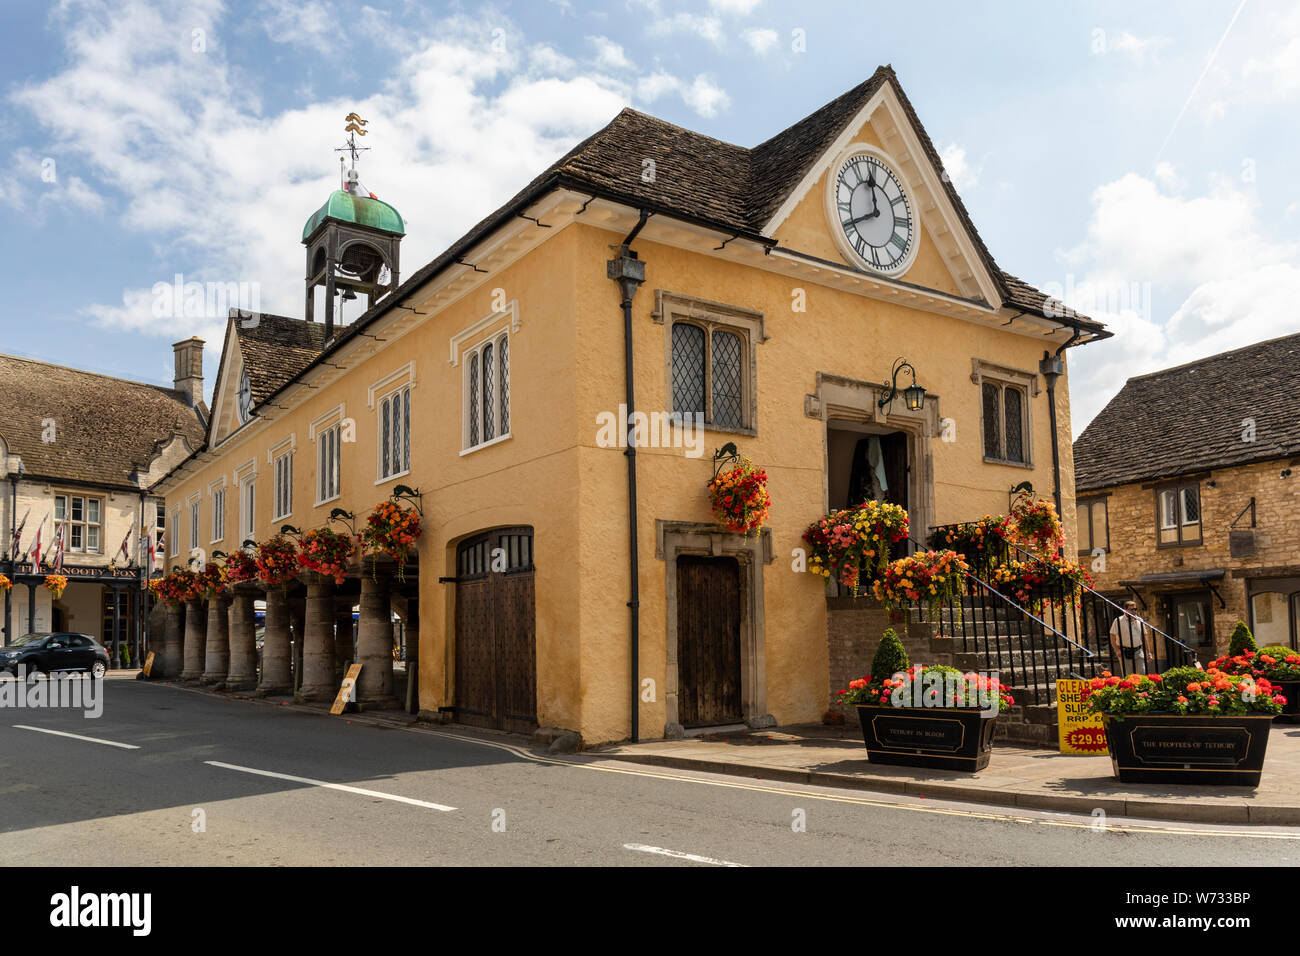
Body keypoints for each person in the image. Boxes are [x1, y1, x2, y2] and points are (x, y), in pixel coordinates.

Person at [1110, 600, 1155, 676]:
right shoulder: (1118, 621)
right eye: (1132, 610)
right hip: (1124, 651)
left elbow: (1144, 637)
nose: (1134, 611)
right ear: (1125, 610)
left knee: (1142, 673)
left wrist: (1148, 652)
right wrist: (1117, 650)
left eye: (1135, 609)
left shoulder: (1139, 620)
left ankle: (1141, 688)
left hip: (1138, 651)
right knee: (1128, 675)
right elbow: (1112, 636)